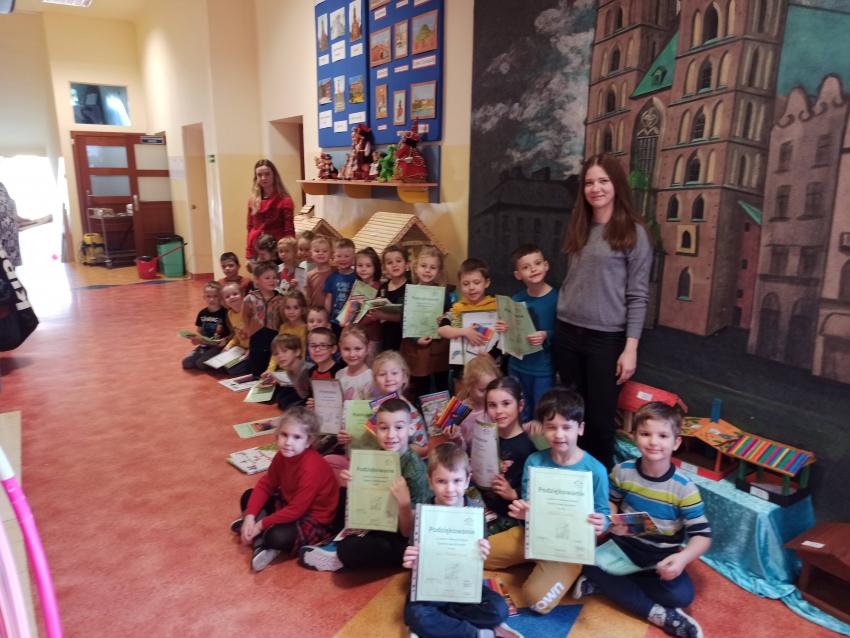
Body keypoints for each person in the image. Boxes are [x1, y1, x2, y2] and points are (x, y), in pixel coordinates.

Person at [573, 402, 711, 638]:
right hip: (623, 549)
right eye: (646, 434)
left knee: (682, 596)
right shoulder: (622, 471)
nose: (653, 442)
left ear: (676, 442)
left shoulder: (684, 488)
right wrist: (611, 518)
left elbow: (702, 535)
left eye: (663, 436)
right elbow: (610, 501)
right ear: (634, 436)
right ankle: (658, 614)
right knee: (581, 559)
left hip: (659, 559)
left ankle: (609, 584)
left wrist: (682, 558)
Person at [554, 154, 652, 469]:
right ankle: (571, 476)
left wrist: (630, 348)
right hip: (567, 331)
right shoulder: (580, 226)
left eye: (603, 181)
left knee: (599, 418)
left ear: (616, 185)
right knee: (571, 414)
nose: (595, 188)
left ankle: (599, 484)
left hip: (605, 340)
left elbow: (638, 295)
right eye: (589, 182)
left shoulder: (633, 232)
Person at [486, 387, 609, 615]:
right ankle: (535, 562)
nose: (559, 435)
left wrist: (603, 522)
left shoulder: (596, 470)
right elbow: (527, 502)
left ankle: (569, 571)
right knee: (477, 555)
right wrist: (524, 512)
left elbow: (604, 512)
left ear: (580, 428)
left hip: (568, 547)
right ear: (542, 428)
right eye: (551, 427)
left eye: (566, 427)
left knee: (537, 601)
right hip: (533, 535)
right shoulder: (534, 461)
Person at [298, 398, 432, 572]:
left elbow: (408, 532)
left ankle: (339, 557)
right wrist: (354, 485)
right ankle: (335, 541)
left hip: (403, 534)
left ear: (411, 430)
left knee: (360, 548)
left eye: (399, 427)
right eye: (384, 428)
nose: (391, 435)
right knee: (342, 493)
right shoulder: (378, 454)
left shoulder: (414, 471)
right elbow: (367, 502)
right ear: (375, 430)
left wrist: (404, 503)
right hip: (379, 519)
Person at [402, 443, 519, 638]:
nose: (450, 489)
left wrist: (483, 551)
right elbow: (414, 555)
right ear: (430, 481)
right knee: (417, 614)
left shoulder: (475, 512)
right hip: (432, 586)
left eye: (457, 481)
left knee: (499, 609)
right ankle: (476, 633)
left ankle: (444, 623)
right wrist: (412, 560)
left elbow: (478, 554)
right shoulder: (423, 515)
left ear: (467, 481)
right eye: (441, 481)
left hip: (463, 585)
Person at [232, 408, 339, 572]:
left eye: (297, 437)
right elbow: (266, 484)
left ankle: (261, 542)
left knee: (276, 536)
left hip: (313, 517)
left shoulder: (311, 467)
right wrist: (250, 516)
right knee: (248, 496)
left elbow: (297, 510)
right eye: (284, 435)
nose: (288, 442)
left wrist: (260, 524)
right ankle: (258, 536)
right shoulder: (282, 456)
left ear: (308, 441)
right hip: (290, 503)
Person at [495, 244, 557, 423]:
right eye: (526, 267)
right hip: (517, 367)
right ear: (518, 274)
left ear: (546, 265)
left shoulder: (557, 299)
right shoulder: (515, 301)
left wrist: (546, 335)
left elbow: (564, 334)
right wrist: (502, 329)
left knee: (541, 414)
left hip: (543, 370)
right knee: (519, 413)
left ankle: (538, 442)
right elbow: (508, 336)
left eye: (537, 263)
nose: (533, 269)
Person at [474, 377, 536, 536]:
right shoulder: (486, 436)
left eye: (506, 403)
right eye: (492, 405)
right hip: (482, 507)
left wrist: (513, 494)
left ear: (520, 405)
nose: (499, 411)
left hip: (508, 519)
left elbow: (537, 493)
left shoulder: (527, 449)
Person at [400, 246, 453, 397]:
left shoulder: (444, 293)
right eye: (424, 266)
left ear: (439, 271)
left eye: (433, 267)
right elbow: (405, 320)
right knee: (419, 385)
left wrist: (445, 318)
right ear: (416, 268)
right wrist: (416, 339)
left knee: (441, 384)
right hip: (417, 346)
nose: (427, 270)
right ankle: (419, 409)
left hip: (438, 345)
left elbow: (451, 315)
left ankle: (443, 410)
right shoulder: (410, 292)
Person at [437, 258, 499, 379]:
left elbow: (503, 339)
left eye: (476, 282)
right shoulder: (457, 309)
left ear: (486, 283)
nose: (471, 287)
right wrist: (465, 332)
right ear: (460, 284)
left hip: (489, 367)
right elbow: (442, 330)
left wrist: (492, 355)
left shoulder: (496, 307)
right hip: (462, 369)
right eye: (466, 284)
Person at [449, 354, 502, 453]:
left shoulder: (498, 407)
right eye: (482, 390)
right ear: (469, 386)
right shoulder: (460, 411)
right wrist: (456, 438)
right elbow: (461, 449)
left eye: (492, 388)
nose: (489, 394)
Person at [245, 159, 294, 260]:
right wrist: (249, 252)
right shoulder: (252, 200)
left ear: (274, 176)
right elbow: (250, 228)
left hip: (276, 250)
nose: (263, 178)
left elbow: (289, 230)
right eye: (259, 175)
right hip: (256, 250)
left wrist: (289, 252)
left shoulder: (285, 200)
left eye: (267, 174)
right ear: (256, 178)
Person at [241, 261, 282, 378]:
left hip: (274, 338)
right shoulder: (250, 299)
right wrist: (248, 335)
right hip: (256, 339)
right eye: (267, 278)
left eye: (274, 277)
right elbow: (245, 319)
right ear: (257, 280)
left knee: (272, 371)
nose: (272, 280)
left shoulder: (281, 299)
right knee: (257, 372)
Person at [181, 282, 230, 370]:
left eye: (215, 296)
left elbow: (233, 332)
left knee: (200, 364)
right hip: (204, 345)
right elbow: (199, 332)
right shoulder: (202, 313)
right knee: (186, 363)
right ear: (204, 297)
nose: (212, 299)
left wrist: (225, 340)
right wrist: (195, 339)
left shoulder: (226, 313)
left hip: (218, 346)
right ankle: (209, 358)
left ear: (220, 297)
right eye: (208, 296)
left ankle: (219, 359)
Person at [259, 334, 310, 411]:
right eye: (276, 354)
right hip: (303, 396)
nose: (280, 356)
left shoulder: (305, 371)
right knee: (281, 398)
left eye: (284, 351)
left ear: (297, 352)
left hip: (312, 402)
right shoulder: (290, 370)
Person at [347, 246, 382, 354]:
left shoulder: (379, 287)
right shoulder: (356, 285)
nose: (363, 269)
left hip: (372, 336)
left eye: (368, 266)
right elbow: (350, 307)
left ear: (375, 267)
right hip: (356, 334)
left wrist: (357, 321)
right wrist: (347, 318)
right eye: (360, 265)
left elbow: (375, 313)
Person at [376, 244, 409, 351]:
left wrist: (383, 315)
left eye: (398, 261)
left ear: (406, 264)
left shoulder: (411, 287)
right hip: (386, 338)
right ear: (385, 268)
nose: (394, 265)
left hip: (404, 341)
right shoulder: (383, 287)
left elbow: (409, 318)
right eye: (390, 263)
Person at [267, 289, 307, 372]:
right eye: (288, 308)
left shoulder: (305, 329)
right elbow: (276, 351)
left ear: (302, 309)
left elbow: (303, 355)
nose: (291, 312)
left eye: (296, 308)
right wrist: (270, 370)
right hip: (282, 370)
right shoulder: (283, 327)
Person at [324, 238, 357, 331]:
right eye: (339, 256)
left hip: (350, 321)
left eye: (346, 256)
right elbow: (328, 300)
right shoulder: (332, 277)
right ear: (333, 257)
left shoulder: (357, 277)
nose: (343, 259)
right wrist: (326, 318)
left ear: (353, 257)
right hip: (334, 320)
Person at [220, 281, 251, 376]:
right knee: (222, 363)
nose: (232, 297)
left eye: (235, 294)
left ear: (242, 294)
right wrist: (229, 346)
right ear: (224, 301)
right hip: (241, 348)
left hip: (254, 348)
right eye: (227, 296)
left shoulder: (249, 310)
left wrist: (251, 349)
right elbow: (237, 334)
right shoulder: (230, 314)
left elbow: (259, 334)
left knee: (233, 370)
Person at [335, 326, 374, 400]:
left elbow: (374, 405)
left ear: (368, 348)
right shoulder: (339, 374)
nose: (352, 354)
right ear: (340, 348)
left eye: (357, 349)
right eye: (346, 349)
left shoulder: (371, 378)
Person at [306, 235, 333, 309]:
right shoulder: (309, 275)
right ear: (311, 254)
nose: (321, 253)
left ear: (331, 254)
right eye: (317, 251)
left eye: (325, 251)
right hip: (315, 311)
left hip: (331, 312)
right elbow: (308, 297)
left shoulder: (334, 273)